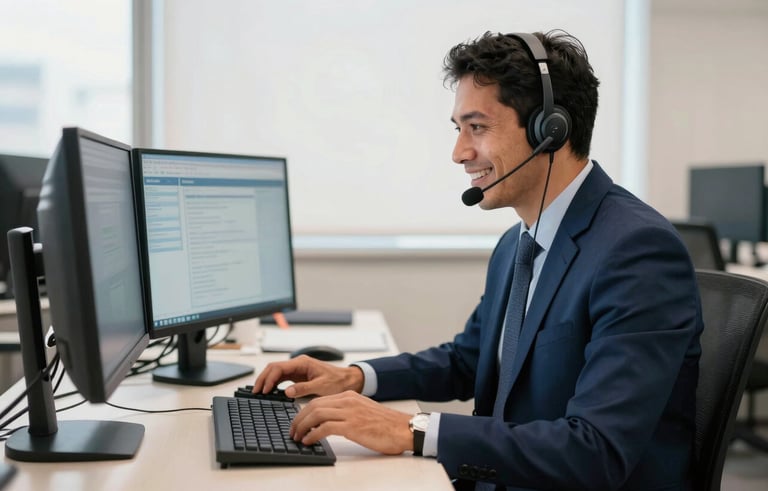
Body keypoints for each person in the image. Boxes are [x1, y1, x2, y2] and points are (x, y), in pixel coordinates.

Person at [253, 30, 702, 491]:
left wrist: (410, 430)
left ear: (550, 130)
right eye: (458, 129)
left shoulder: (637, 251)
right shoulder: (517, 243)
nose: (459, 153)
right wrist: (355, 378)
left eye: (478, 127)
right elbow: (469, 360)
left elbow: (596, 450)